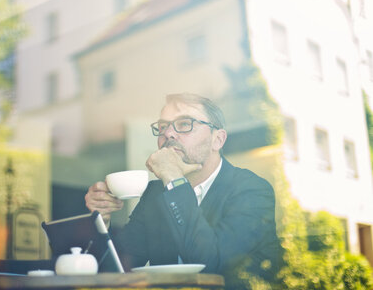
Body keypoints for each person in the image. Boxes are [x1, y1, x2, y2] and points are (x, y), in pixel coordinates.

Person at [85, 93, 283, 289]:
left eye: (184, 124)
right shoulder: (155, 194)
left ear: (218, 140)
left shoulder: (251, 189)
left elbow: (213, 265)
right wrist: (102, 222)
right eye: (163, 126)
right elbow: (117, 269)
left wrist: (173, 179)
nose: (168, 134)